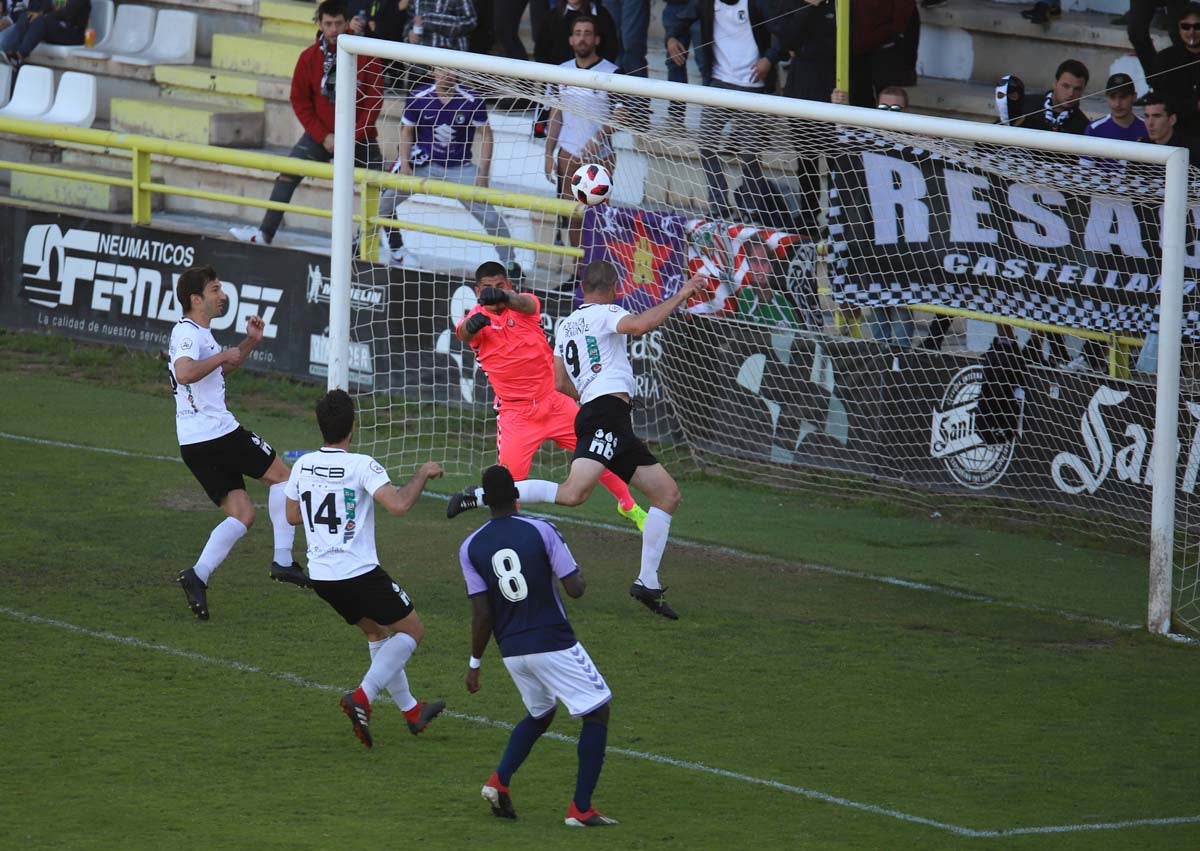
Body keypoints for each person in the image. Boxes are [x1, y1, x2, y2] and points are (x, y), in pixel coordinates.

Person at [450, 260, 706, 619]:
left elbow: (557, 380)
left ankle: (646, 580)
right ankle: (482, 496)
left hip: (583, 410)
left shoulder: (567, 323)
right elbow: (643, 324)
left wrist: (588, 397)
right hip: (552, 413)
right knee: (573, 493)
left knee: (666, 494)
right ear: (614, 289)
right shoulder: (605, 313)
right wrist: (683, 292)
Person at [285, 389, 447, 748]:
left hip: (323, 577)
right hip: (358, 573)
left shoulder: (302, 465)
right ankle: (362, 697)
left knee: (376, 633)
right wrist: (422, 473)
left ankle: (411, 711)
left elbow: (292, 515)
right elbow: (400, 505)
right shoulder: (362, 465)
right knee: (412, 632)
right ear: (352, 427)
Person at [461, 465, 617, 828]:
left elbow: (482, 613)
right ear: (515, 495)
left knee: (542, 713)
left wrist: (474, 663)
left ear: (486, 502)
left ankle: (499, 781)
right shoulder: (541, 529)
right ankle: (581, 809)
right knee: (597, 712)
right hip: (552, 640)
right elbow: (575, 589)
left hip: (513, 650)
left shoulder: (470, 546)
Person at [451, 260, 647, 529]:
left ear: (509, 285)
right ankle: (512, 533)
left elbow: (526, 304)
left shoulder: (524, 304)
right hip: (516, 414)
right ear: (477, 291)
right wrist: (473, 324)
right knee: (509, 485)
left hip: (555, 401)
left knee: (601, 452)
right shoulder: (474, 319)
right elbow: (462, 332)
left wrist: (504, 297)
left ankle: (629, 506)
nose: (494, 291)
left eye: (500, 285)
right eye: (487, 288)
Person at [170, 265, 307, 622]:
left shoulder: (201, 334)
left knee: (243, 514)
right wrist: (221, 355)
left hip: (196, 442)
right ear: (195, 299)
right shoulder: (187, 333)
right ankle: (282, 560)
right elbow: (184, 372)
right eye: (215, 289)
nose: (222, 295)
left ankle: (197, 575)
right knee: (283, 477)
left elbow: (216, 369)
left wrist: (248, 344)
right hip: (217, 433)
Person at [230, 0, 383, 246]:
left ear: (347, 23)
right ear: (319, 25)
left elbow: (374, 102)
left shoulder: (367, 55)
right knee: (288, 173)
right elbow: (299, 100)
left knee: (382, 184)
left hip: (358, 137)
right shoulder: (308, 58)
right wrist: (323, 136)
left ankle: (393, 248)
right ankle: (265, 233)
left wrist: (350, 138)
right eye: (328, 24)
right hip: (321, 136)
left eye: (338, 24)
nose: (333, 29)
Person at [377, 68, 519, 274]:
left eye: (451, 71)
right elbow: (406, 131)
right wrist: (406, 165)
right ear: (433, 72)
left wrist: (483, 174)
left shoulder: (471, 100)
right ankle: (364, 246)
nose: (446, 75)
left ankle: (511, 263)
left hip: (460, 167)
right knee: (381, 202)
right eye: (442, 71)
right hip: (424, 164)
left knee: (490, 217)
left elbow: (487, 135)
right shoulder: (419, 96)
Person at [668, 0, 783, 221]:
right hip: (719, 84)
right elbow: (680, 17)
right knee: (706, 144)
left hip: (753, 85)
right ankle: (719, 205)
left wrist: (769, 59)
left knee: (750, 153)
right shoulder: (706, 2)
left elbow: (782, 30)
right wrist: (671, 38)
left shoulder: (758, 3)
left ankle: (750, 208)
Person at [544, 16, 622, 272]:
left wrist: (597, 138)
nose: (582, 38)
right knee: (573, 215)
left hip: (600, 157)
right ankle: (579, 273)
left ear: (596, 39)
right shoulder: (561, 70)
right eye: (577, 33)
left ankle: (598, 273)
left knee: (598, 218)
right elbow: (555, 113)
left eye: (587, 33)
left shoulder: (612, 73)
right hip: (569, 154)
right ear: (570, 39)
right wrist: (548, 151)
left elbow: (622, 114)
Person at [1152, 3, 1200, 136]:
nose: (1191, 32)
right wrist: (1194, 105)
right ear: (1178, 28)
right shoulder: (1165, 59)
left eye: (1197, 27)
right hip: (1177, 131)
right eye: (1186, 27)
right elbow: (1161, 98)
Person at [0, 0, 88, 67]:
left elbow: (66, 13)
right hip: (57, 28)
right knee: (28, 16)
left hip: (73, 34)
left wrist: (42, 15)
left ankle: (19, 55)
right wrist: (39, 13)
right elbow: (47, 8)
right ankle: (14, 54)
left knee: (41, 21)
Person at [1021, 59, 1091, 134]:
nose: (1070, 93)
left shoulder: (1083, 126)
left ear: (1083, 90)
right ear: (1055, 83)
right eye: (1065, 86)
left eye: (1077, 89)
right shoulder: (1025, 104)